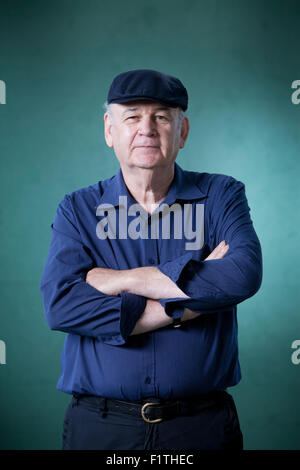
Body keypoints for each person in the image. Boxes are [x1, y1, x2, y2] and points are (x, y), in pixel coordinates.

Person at [40, 69, 263, 450]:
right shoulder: (78, 209)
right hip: (101, 426)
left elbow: (241, 276)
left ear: (183, 131)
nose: (147, 128)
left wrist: (121, 279)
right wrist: (187, 307)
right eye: (132, 116)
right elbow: (61, 306)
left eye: (162, 116)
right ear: (110, 130)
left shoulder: (222, 195)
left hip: (201, 427)